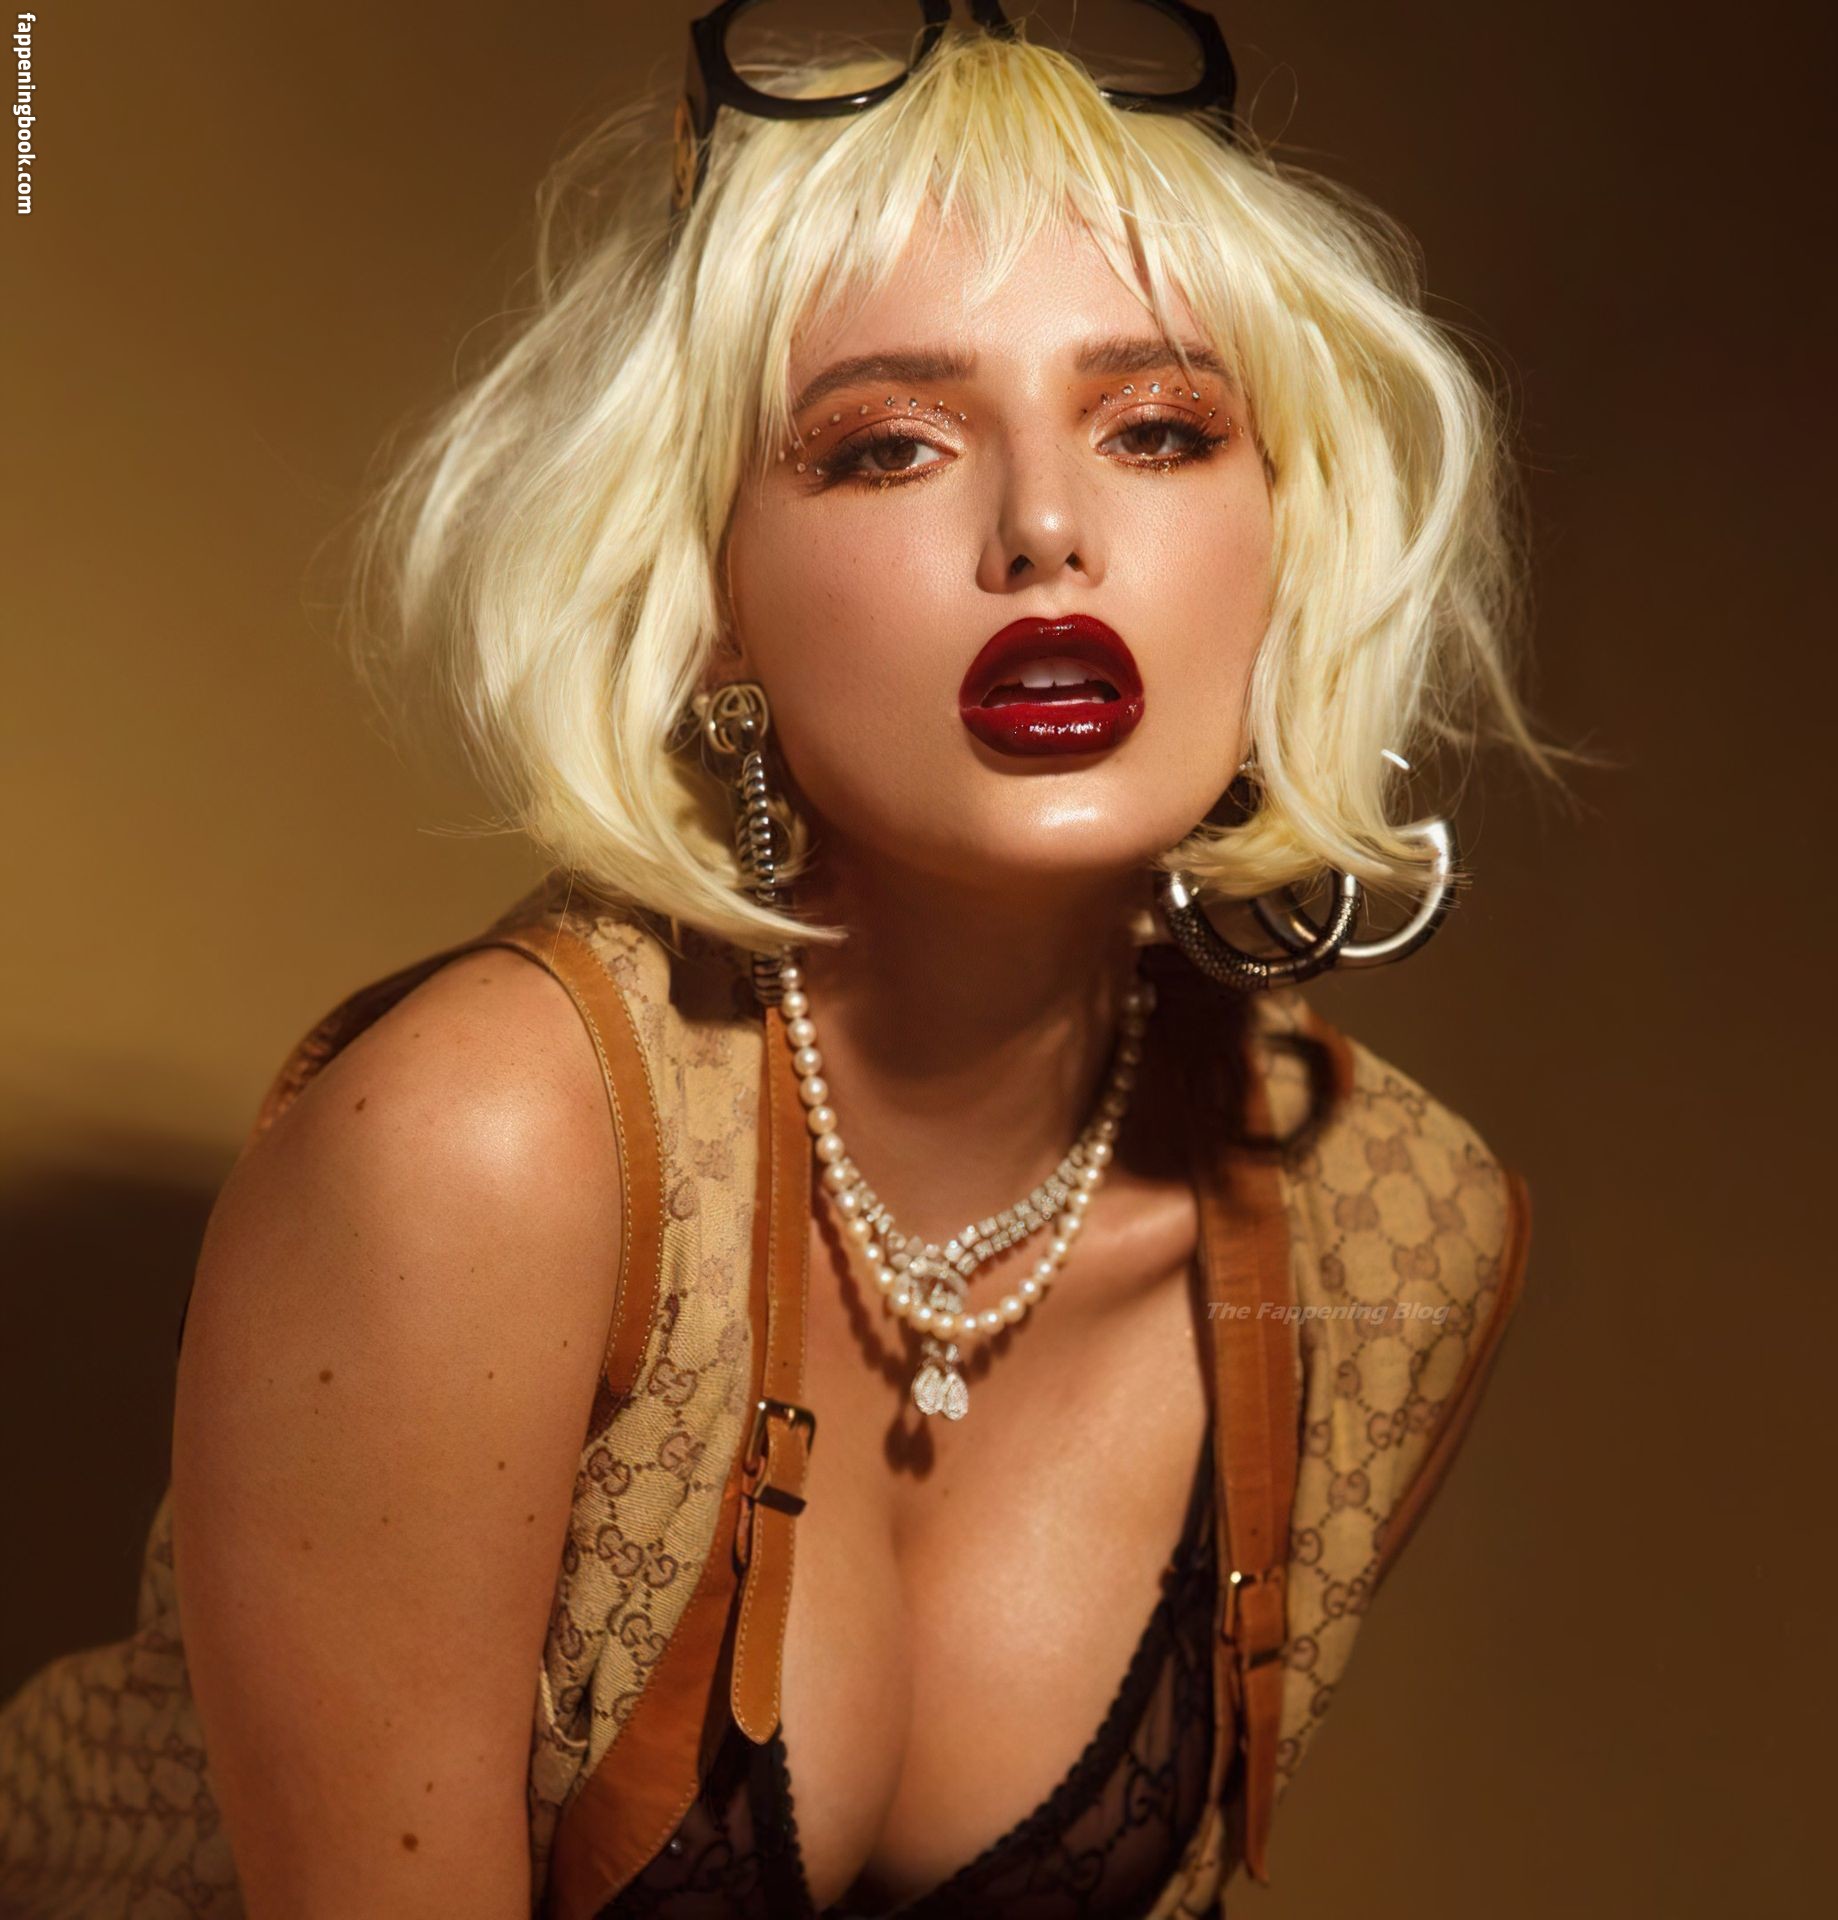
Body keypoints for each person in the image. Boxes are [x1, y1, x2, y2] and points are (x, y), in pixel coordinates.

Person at [0, 7, 1565, 1916]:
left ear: (1290, 539)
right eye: (887, 447)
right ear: (716, 598)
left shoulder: (1387, 1234)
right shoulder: (486, 1150)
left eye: (1158, 430)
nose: (1047, 532)